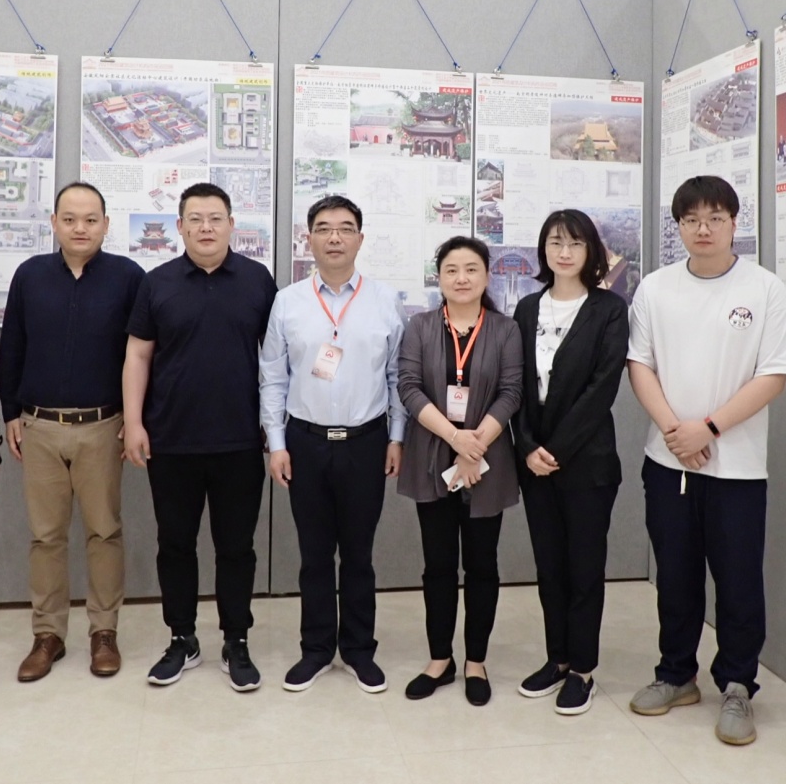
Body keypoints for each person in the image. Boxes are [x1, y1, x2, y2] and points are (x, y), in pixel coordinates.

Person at [626, 175, 786, 746]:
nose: (703, 229)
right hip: (667, 462)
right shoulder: (655, 288)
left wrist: (706, 428)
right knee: (675, 575)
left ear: (734, 222)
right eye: (691, 220)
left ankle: (737, 685)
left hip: (738, 468)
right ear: (678, 226)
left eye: (715, 219)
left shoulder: (765, 288)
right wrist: (674, 432)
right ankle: (676, 674)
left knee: (738, 580)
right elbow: (640, 365)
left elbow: (774, 374)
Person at [122, 182, 277, 692]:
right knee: (175, 545)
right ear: (180, 227)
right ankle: (182, 638)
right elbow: (138, 355)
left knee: (236, 547)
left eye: (215, 218)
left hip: (240, 440)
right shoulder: (157, 282)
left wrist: (276, 429)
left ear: (232, 225)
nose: (206, 228)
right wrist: (134, 422)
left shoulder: (257, 281)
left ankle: (237, 640)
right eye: (195, 219)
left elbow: (277, 359)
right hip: (171, 440)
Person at [259, 195, 406, 694]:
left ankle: (360, 650)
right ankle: (317, 649)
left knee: (359, 555)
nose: (335, 237)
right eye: (324, 228)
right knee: (315, 555)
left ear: (361, 239)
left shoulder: (385, 301)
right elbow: (273, 377)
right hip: (305, 443)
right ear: (310, 239)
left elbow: (397, 376)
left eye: (345, 228)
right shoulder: (288, 301)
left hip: (367, 442)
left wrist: (397, 437)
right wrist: (276, 443)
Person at [0, 181, 144, 681]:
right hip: (39, 425)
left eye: (90, 219)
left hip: (103, 425)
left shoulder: (128, 277)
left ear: (106, 224)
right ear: (54, 223)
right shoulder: (30, 275)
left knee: (105, 531)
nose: (80, 228)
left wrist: (134, 418)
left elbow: (141, 354)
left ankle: (104, 631)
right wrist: (10, 411)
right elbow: (12, 345)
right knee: (45, 536)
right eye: (69, 219)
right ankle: (48, 635)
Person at [511, 210, 628, 716]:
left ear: (590, 251)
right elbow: (515, 385)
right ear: (543, 249)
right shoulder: (527, 308)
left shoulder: (609, 309)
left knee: (583, 567)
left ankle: (582, 669)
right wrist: (526, 447)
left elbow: (602, 389)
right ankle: (556, 658)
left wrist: (554, 451)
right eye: (555, 242)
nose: (564, 252)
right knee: (549, 566)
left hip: (586, 463)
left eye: (575, 243)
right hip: (534, 461)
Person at [396, 236, 522, 706]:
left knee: (483, 565)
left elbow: (511, 392)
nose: (462, 278)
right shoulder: (421, 326)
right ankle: (440, 659)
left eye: (471, 269)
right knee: (438, 564)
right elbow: (409, 388)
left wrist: (475, 444)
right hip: (433, 455)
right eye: (452, 270)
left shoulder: (506, 329)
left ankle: (476, 661)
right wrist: (456, 439)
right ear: (439, 278)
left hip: (488, 460)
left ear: (487, 276)